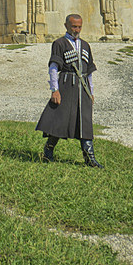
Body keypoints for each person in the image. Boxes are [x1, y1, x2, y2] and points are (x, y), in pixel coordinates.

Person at [35, 13, 103, 167]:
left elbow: (89, 72)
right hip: (66, 85)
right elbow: (53, 68)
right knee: (59, 120)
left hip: (82, 87)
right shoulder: (59, 43)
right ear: (66, 26)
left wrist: (91, 92)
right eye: (74, 26)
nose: (76, 29)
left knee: (85, 122)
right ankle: (48, 151)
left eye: (79, 27)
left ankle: (90, 158)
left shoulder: (85, 45)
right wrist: (55, 90)